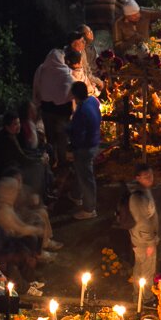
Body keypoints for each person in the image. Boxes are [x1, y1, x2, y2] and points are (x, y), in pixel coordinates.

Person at [67, 81, 101, 219]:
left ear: (74, 95)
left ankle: (89, 209)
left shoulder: (81, 112)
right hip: (94, 142)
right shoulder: (92, 101)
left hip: (85, 148)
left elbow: (78, 134)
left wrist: (71, 145)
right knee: (80, 171)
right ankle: (76, 195)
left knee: (86, 177)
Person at [123, 165, 160, 285]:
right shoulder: (138, 196)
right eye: (146, 177)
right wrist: (150, 243)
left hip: (141, 238)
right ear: (137, 178)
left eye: (151, 175)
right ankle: (146, 298)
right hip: (143, 240)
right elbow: (143, 221)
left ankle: (138, 296)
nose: (150, 179)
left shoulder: (144, 190)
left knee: (140, 267)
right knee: (147, 270)